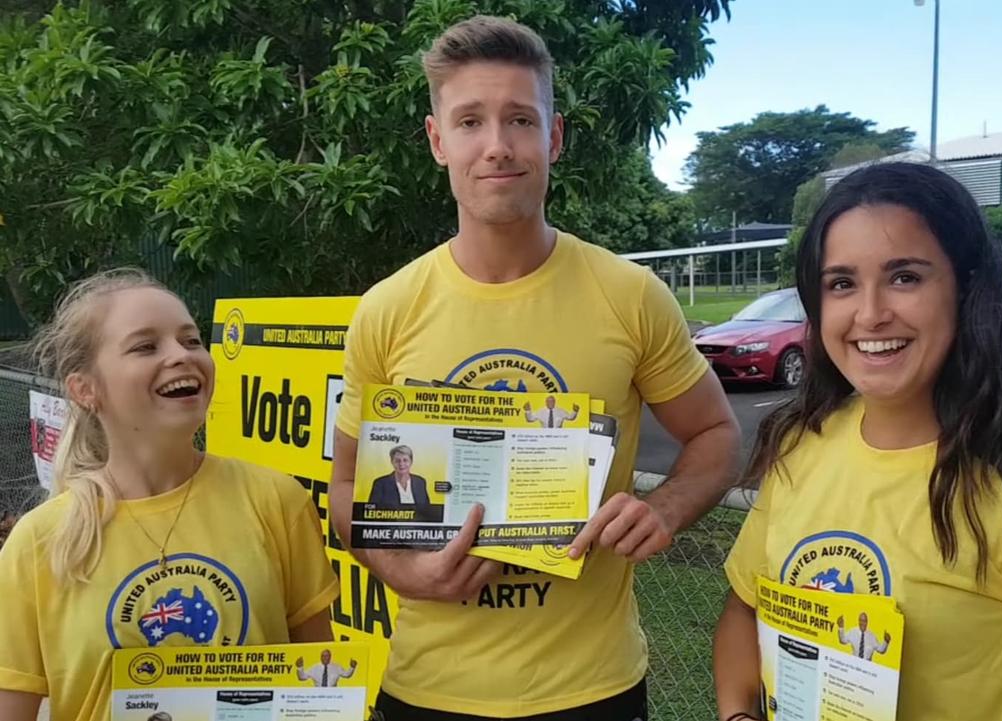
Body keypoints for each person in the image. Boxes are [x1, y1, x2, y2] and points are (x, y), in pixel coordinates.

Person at [329, 15, 740, 721]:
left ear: (553, 137)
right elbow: (343, 487)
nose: (497, 146)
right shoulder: (386, 310)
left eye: (520, 119)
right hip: (428, 689)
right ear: (438, 141)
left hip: (594, 689)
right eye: (469, 122)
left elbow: (718, 437)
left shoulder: (630, 295)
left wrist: (663, 508)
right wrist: (405, 570)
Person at [713, 163, 1002, 721]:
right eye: (841, 283)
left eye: (905, 277)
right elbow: (745, 610)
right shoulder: (802, 445)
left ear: (966, 290)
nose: (870, 314)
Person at [0, 269, 340, 721]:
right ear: (85, 389)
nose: (181, 356)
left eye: (192, 340)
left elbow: (317, 689)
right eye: (146, 346)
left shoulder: (276, 500)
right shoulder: (40, 542)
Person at [368, 446, 442, 521]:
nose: (401, 464)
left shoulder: (420, 482)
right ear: (392, 462)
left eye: (405, 460)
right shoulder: (380, 484)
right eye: (397, 461)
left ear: (411, 462)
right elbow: (372, 512)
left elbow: (427, 511)